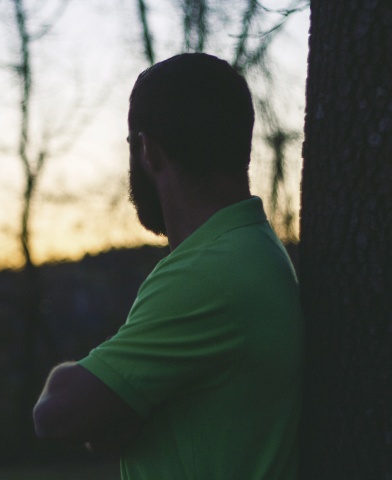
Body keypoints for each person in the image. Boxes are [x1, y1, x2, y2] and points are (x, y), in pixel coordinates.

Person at [32, 53, 304, 480]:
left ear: (148, 150)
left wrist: (69, 375)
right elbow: (108, 429)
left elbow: (57, 414)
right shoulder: (252, 249)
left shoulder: (208, 273)